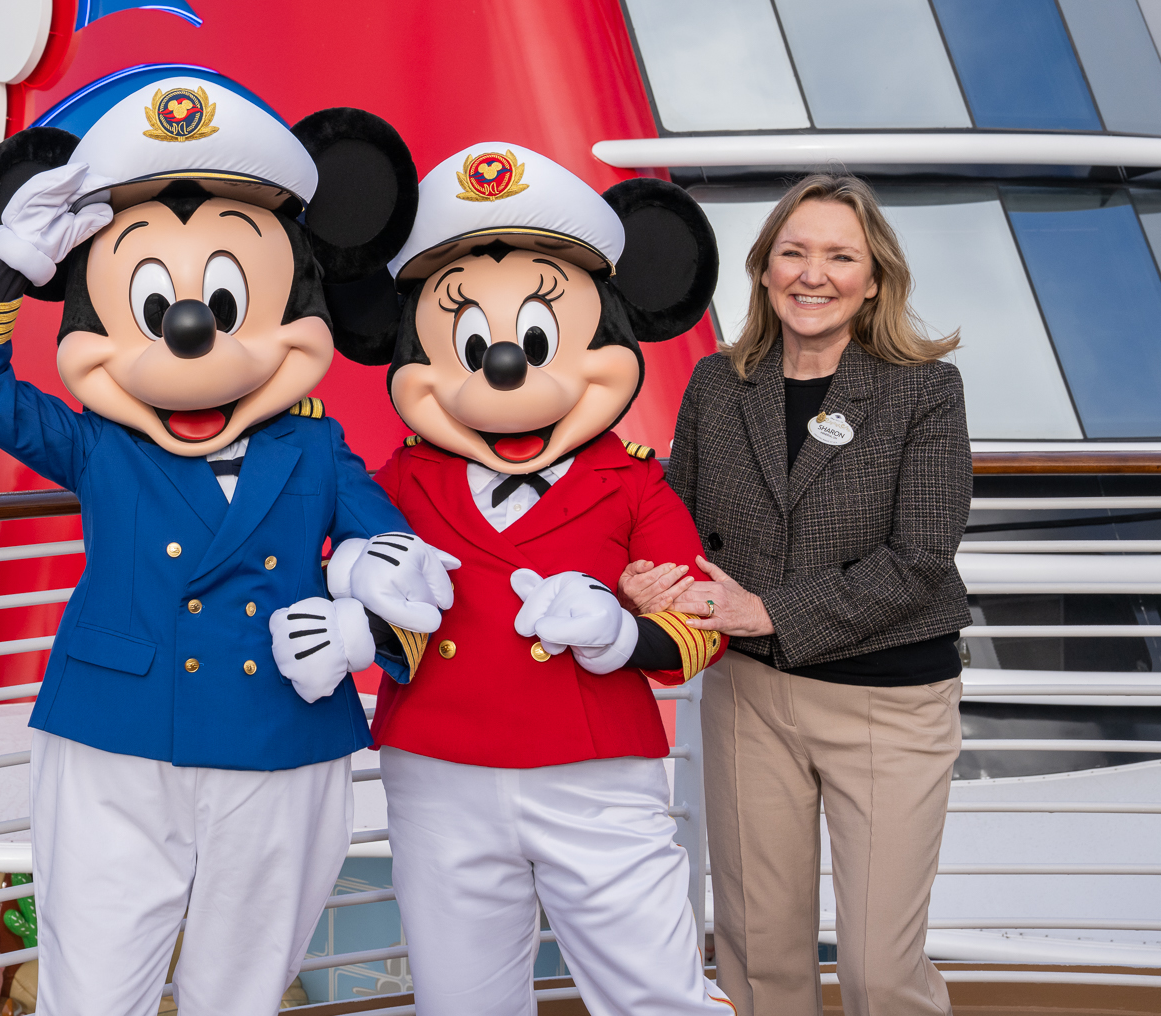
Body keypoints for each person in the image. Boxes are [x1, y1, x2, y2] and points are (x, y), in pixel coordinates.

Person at [0, 75, 430, 1016]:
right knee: (93, 987)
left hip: (279, 733)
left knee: (240, 991)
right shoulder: (100, 443)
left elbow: (397, 556)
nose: (191, 328)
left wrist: (363, 629)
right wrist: (10, 266)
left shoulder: (315, 445)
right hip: (113, 735)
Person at [315, 143, 731, 1015]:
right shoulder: (399, 481)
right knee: (461, 1002)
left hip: (596, 775)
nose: (504, 367)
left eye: (534, 339)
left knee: (658, 996)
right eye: (473, 342)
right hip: (437, 770)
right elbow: (318, 561)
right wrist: (354, 571)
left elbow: (700, 622)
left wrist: (622, 634)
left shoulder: (633, 480)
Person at [631, 172, 970, 1016]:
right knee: (758, 960)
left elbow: (921, 558)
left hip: (888, 703)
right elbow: (682, 523)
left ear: (875, 277)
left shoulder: (925, 390)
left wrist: (771, 610)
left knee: (878, 974)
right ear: (764, 267)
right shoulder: (718, 383)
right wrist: (647, 576)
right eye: (794, 252)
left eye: (839, 256)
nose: (812, 275)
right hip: (747, 696)